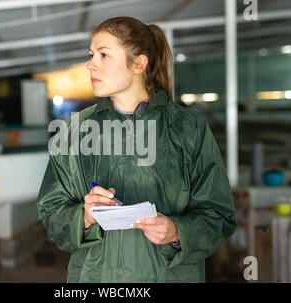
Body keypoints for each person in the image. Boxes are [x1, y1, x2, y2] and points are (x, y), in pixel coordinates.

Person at [36, 16, 237, 283]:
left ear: (138, 64)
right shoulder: (75, 131)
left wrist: (178, 232)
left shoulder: (189, 129)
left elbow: (219, 215)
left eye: (104, 55)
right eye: (91, 54)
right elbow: (50, 211)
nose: (90, 64)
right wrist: (82, 217)